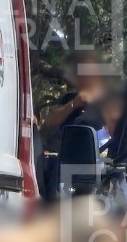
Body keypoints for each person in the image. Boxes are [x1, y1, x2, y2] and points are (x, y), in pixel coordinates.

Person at [39, 50, 109, 200]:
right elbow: (50, 121)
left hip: (94, 170)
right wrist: (75, 103)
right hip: (62, 168)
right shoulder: (70, 99)